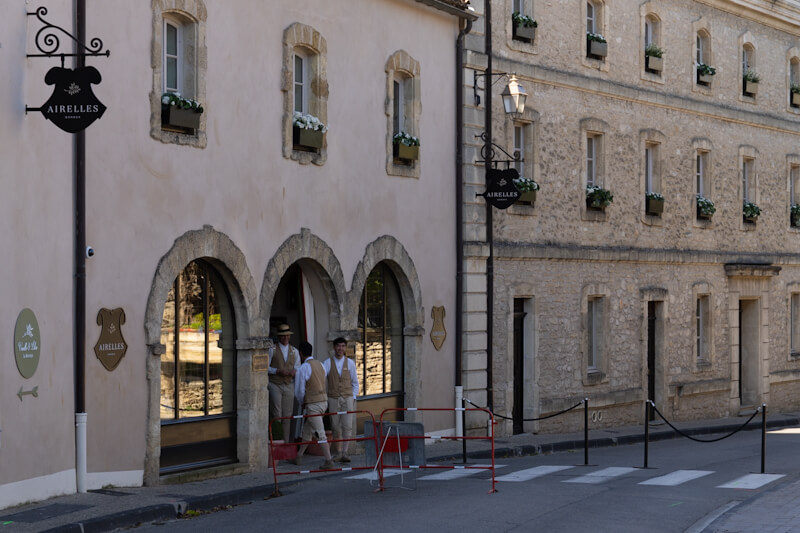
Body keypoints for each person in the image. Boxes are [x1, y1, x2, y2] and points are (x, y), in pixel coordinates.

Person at [292, 341, 335, 469]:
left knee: (320, 433)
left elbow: (299, 391)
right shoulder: (321, 365)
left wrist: (302, 403)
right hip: (323, 402)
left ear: (301, 354)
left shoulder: (303, 368)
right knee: (307, 430)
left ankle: (329, 460)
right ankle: (299, 456)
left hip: (313, 403)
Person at [323, 337, 359, 463]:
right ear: (334, 347)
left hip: (347, 397)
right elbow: (322, 379)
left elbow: (355, 383)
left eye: (343, 346)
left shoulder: (350, 363)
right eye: (338, 346)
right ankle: (338, 452)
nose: (340, 348)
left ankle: (345, 452)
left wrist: (353, 397)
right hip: (333, 398)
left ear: (345, 348)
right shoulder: (327, 363)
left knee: (347, 426)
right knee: (335, 426)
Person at [268, 324, 300, 443]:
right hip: (275, 383)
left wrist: (294, 371)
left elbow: (298, 366)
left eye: (287, 335)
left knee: (287, 415)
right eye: (282, 335)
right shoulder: (272, 349)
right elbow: (265, 367)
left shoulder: (294, 351)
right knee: (277, 413)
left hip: (288, 384)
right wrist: (277, 371)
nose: (285, 338)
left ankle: (286, 442)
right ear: (279, 337)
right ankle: (277, 440)